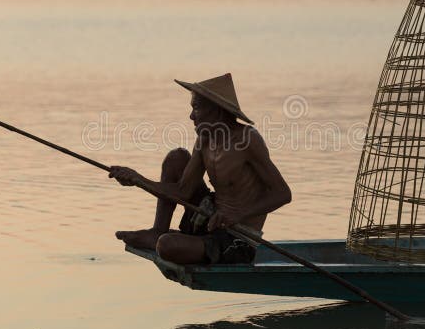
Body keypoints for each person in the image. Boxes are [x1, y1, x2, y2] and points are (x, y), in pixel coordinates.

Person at [112, 73, 291, 265]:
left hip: (236, 238)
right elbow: (183, 191)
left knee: (167, 246)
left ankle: (169, 240)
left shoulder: (247, 140)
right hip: (209, 218)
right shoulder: (204, 139)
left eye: (196, 108)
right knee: (176, 158)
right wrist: (139, 180)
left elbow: (282, 194)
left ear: (218, 110)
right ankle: (159, 230)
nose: (191, 116)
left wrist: (236, 216)